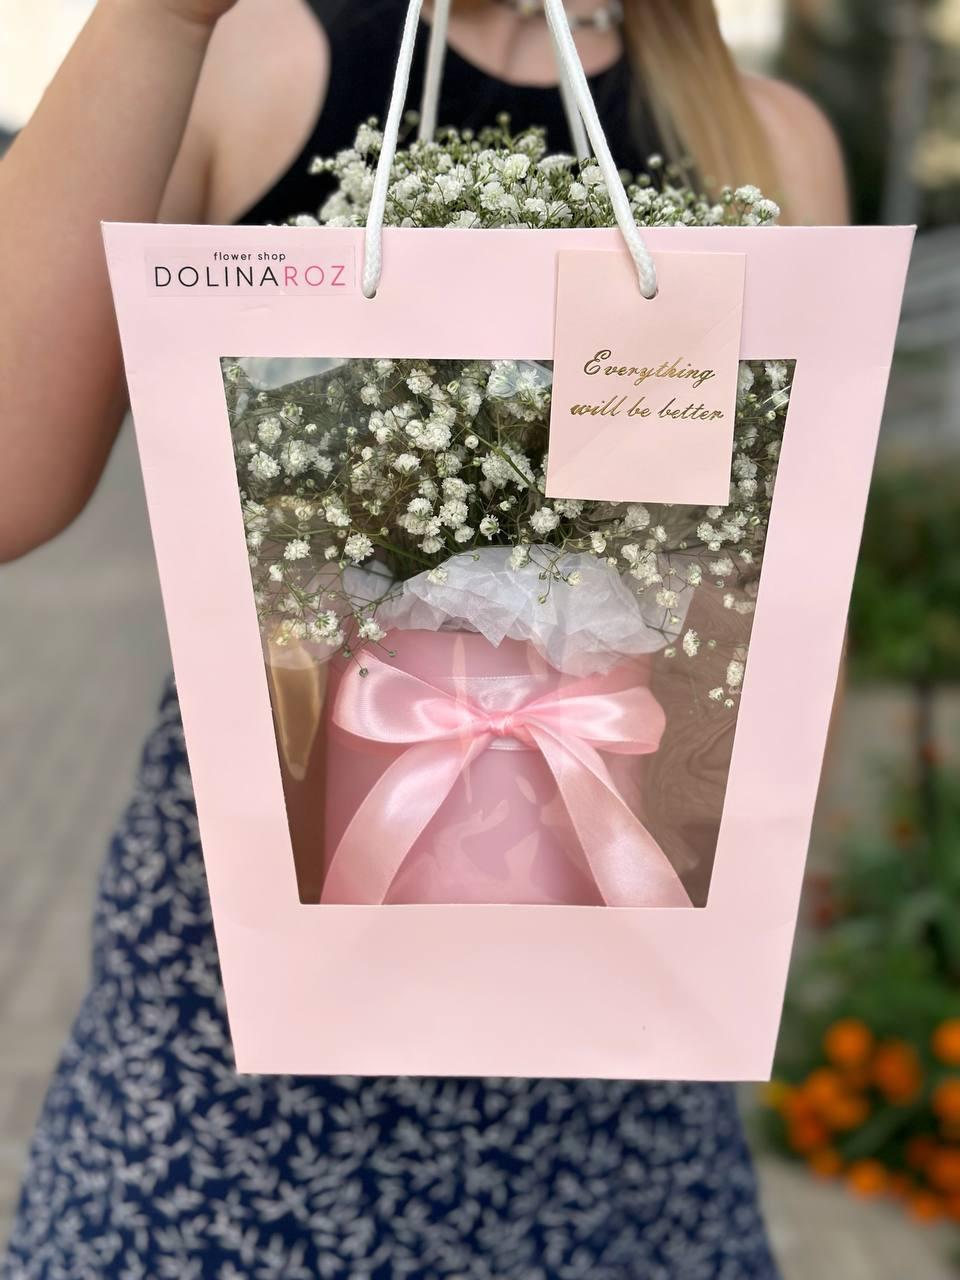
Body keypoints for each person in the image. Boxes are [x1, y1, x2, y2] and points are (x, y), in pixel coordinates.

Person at [0, 1, 847, 1274]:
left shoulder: (765, 146)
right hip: (239, 1035)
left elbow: (784, 651)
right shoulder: (250, 65)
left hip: (610, 1058)